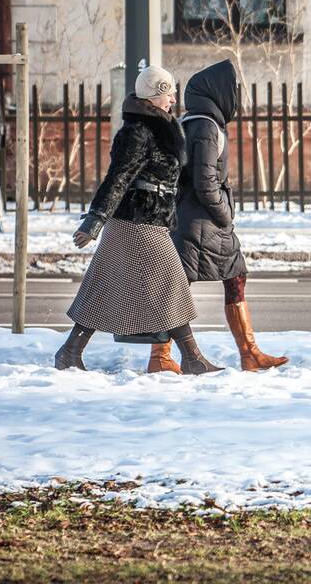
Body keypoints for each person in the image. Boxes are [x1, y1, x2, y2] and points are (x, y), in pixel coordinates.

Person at [56, 65, 222, 375]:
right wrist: (95, 220)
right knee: (170, 282)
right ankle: (192, 357)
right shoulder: (136, 132)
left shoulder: (163, 128)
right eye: (169, 92)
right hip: (134, 221)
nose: (173, 98)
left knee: (104, 286)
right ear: (157, 93)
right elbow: (118, 178)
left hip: (149, 220)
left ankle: (69, 351)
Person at [172, 60, 288, 372]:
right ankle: (162, 356)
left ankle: (249, 352)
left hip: (195, 220)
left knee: (231, 277)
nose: (233, 97)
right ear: (217, 92)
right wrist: (225, 214)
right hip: (202, 222)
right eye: (231, 90)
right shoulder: (207, 127)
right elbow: (205, 182)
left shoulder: (192, 121)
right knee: (179, 286)